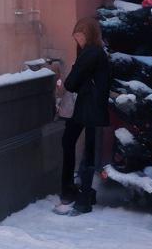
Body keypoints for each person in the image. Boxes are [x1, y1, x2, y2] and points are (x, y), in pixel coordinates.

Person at [56, 17, 110, 215]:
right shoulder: (97, 53)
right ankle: (77, 192)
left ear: (88, 35)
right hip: (89, 108)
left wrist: (72, 75)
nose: (77, 40)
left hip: (87, 108)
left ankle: (78, 195)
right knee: (77, 145)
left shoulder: (91, 54)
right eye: (76, 37)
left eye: (80, 36)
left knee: (77, 146)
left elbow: (71, 83)